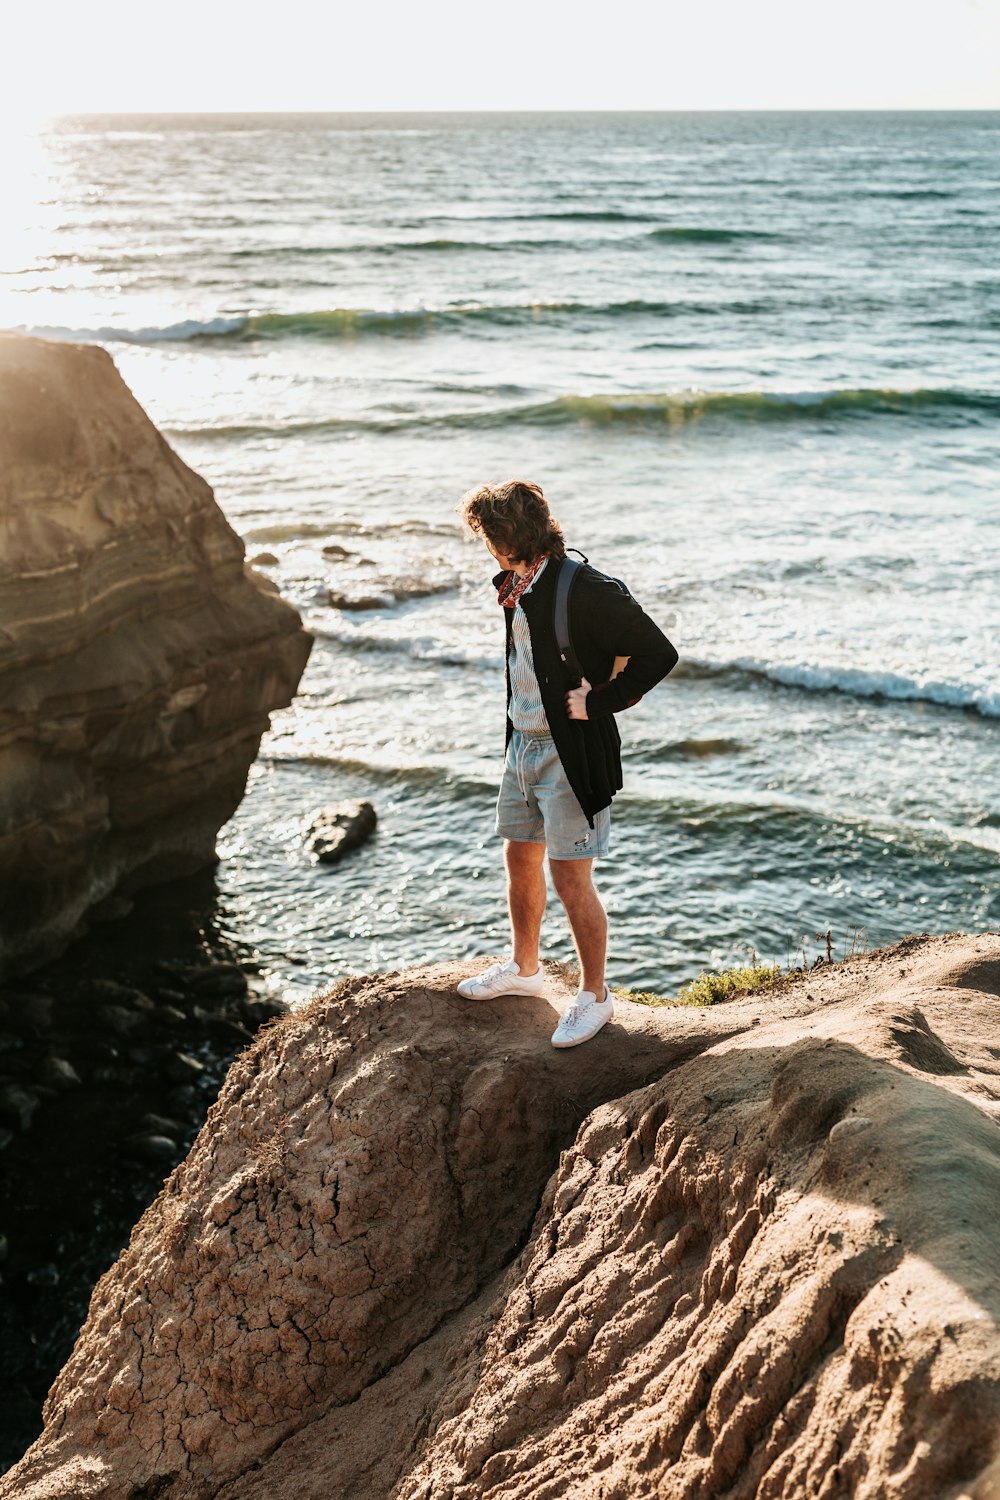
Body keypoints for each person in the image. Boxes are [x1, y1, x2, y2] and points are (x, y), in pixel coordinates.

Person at [456, 479, 678, 1047]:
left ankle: (594, 996)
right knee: (519, 856)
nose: (484, 545)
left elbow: (660, 652)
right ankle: (525, 971)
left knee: (569, 875)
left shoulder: (587, 588)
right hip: (521, 744)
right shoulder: (514, 584)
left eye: (487, 535)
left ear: (506, 537)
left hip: (569, 753)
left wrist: (598, 702)